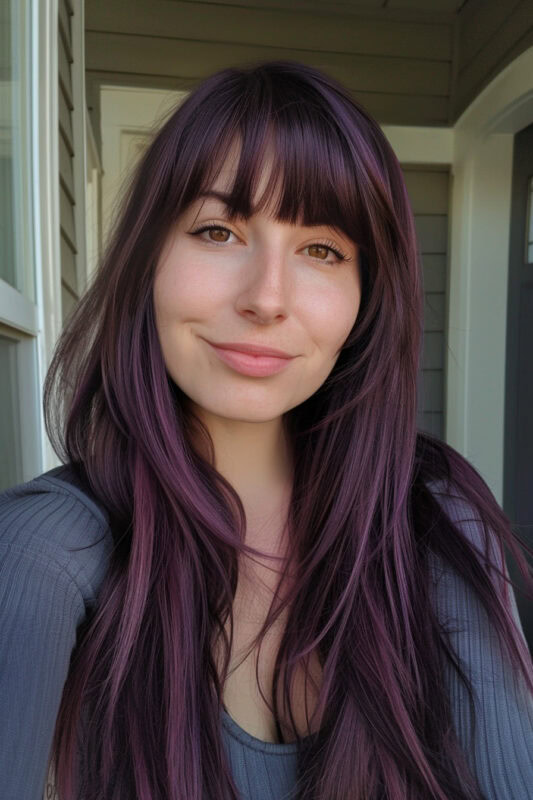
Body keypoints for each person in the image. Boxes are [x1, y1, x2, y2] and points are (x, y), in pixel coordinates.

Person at [1, 59, 532, 800]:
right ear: (146, 260)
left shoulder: (435, 513)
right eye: (217, 231)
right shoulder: (40, 553)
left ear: (363, 301)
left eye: (321, 250)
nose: (267, 298)